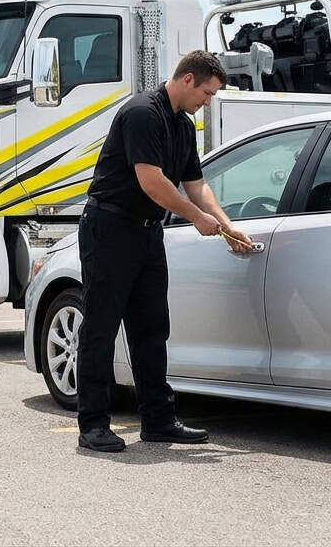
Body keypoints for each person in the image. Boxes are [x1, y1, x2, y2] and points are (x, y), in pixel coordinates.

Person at [75, 50, 254, 453]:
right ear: (188, 79)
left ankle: (158, 420)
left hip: (147, 233)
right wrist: (196, 218)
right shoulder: (143, 113)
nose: (207, 102)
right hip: (110, 228)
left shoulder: (183, 125)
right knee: (101, 327)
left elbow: (197, 184)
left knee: (152, 327)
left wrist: (225, 226)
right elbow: (151, 182)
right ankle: (93, 425)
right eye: (207, 93)